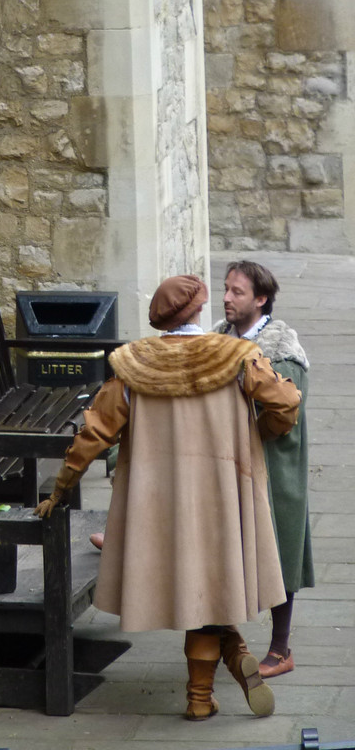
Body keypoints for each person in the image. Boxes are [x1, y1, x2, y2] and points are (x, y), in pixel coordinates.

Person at [36, 275, 301, 721]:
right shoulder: (238, 357)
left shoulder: (133, 367)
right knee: (213, 591)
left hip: (161, 508)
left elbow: (93, 434)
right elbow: (286, 404)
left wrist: (59, 489)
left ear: (162, 320)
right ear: (199, 310)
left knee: (197, 595)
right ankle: (226, 662)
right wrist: (257, 435)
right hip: (225, 496)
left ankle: (205, 694)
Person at [214, 260, 312, 678]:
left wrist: (247, 434)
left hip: (274, 464)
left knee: (279, 549)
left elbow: (283, 414)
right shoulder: (220, 338)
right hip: (229, 461)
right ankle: (224, 637)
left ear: (260, 299)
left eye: (237, 292)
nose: (226, 298)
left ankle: (280, 649)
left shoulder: (281, 352)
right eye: (225, 289)